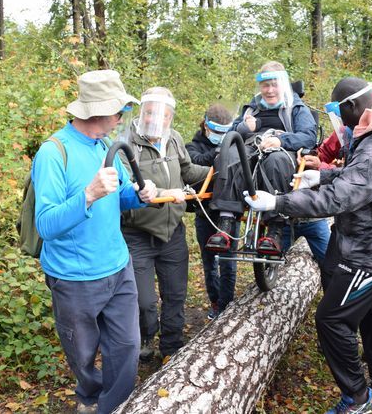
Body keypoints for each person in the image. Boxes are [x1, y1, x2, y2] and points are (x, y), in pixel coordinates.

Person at [244, 77, 372, 413]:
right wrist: (323, 175)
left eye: (338, 114)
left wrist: (278, 203)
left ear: (353, 107)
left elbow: (342, 197)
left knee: (332, 320)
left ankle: (358, 398)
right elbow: (363, 178)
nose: (338, 123)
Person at [32, 70, 158, 414]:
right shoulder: (54, 153)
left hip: (118, 266)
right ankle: (88, 397)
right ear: (98, 111)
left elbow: (117, 198)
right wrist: (87, 195)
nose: (122, 117)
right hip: (75, 279)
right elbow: (46, 224)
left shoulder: (105, 146)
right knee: (83, 355)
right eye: (119, 110)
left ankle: (112, 407)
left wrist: (139, 195)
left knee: (127, 347)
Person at [120, 87, 210, 361]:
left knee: (175, 294)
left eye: (163, 115)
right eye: (149, 112)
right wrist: (158, 193)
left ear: (170, 117)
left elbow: (187, 171)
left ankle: (172, 345)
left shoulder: (174, 139)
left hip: (172, 233)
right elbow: (127, 185)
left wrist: (218, 168)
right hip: (137, 235)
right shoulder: (125, 144)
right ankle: (145, 338)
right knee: (143, 301)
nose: (155, 119)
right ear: (142, 112)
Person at [206, 61, 324, 256]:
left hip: (282, 153)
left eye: (274, 84)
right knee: (229, 156)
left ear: (283, 85)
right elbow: (231, 134)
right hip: (250, 150)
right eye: (265, 85)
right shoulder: (251, 108)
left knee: (274, 161)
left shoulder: (295, 107)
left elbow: (309, 136)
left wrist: (281, 140)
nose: (269, 90)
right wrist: (245, 129)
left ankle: (275, 230)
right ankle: (225, 224)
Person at [186, 103, 240, 319]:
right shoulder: (193, 146)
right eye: (217, 132)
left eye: (224, 133)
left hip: (229, 212)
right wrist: (220, 151)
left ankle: (227, 304)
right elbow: (195, 162)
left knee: (229, 261)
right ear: (206, 127)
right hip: (205, 213)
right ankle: (215, 302)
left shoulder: (233, 144)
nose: (220, 136)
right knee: (209, 262)